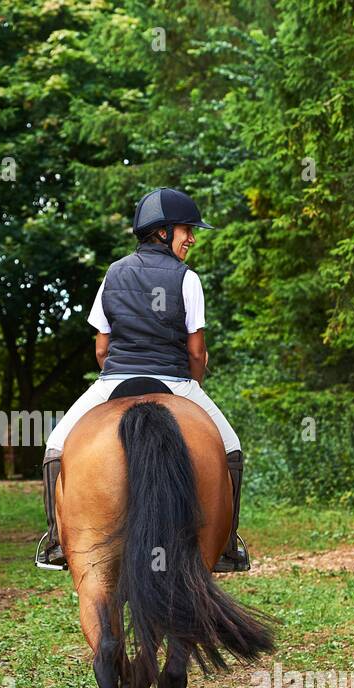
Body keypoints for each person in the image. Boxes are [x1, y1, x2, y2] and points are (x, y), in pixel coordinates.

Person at [37, 187, 248, 573]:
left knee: (55, 446)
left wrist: (116, 367)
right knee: (231, 448)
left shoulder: (113, 273)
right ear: (165, 232)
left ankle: (56, 541)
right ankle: (228, 544)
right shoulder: (187, 279)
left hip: (114, 378)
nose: (193, 238)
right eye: (188, 230)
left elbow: (101, 347)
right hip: (176, 382)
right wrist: (193, 385)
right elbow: (197, 352)